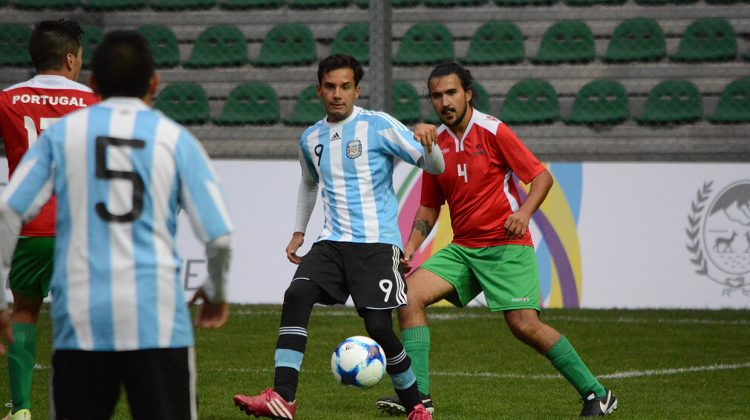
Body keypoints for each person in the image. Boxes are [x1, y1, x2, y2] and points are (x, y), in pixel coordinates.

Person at [0, 30, 233, 420]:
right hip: (158, 319)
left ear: (93, 83)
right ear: (154, 83)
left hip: (82, 323)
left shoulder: (62, 135)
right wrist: (215, 290)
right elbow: (220, 236)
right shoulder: (175, 139)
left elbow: (8, 210)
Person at [375, 62, 618, 417]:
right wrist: (410, 247)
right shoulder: (436, 145)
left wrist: (523, 214)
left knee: (524, 325)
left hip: (505, 247)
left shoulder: (493, 131)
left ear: (468, 94)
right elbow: (429, 205)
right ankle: (419, 398)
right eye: (437, 95)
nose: (445, 102)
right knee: (408, 298)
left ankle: (597, 394)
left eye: (452, 92)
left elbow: (541, 178)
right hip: (464, 250)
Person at [232, 54, 444, 420]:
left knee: (378, 326)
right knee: (296, 294)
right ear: (319, 89)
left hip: (377, 244)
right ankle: (283, 397)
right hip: (331, 242)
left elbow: (433, 166)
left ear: (356, 90)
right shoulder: (310, 138)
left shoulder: (377, 126)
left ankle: (416, 406)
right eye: (329, 86)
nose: (337, 94)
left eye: (345, 86)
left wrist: (429, 143)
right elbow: (308, 182)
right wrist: (299, 230)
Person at [0, 19, 98, 420]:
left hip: (27, 223)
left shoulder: (7, 98)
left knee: (24, 309)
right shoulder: (94, 101)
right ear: (70, 58)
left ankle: (21, 409)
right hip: (79, 226)